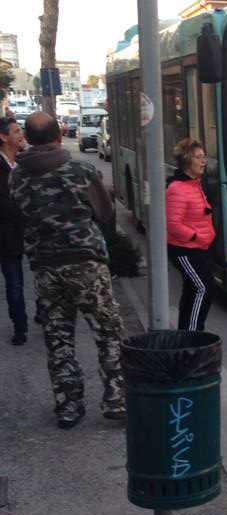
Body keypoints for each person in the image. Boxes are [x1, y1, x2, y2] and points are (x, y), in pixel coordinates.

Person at [10, 112, 125, 428]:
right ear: (59, 135)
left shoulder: (17, 176)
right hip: (87, 263)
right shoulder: (81, 169)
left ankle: (68, 406)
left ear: (29, 139)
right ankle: (116, 398)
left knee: (58, 336)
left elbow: (21, 213)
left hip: (46, 266)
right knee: (107, 331)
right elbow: (104, 212)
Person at [166, 138, 216, 331]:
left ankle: (185, 333)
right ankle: (194, 336)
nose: (204, 161)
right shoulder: (177, 189)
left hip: (198, 248)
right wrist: (196, 237)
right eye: (199, 157)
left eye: (204, 157)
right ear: (187, 160)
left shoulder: (194, 184)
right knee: (204, 288)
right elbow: (173, 225)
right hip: (185, 249)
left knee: (191, 290)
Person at [0, 115, 29, 345]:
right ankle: (20, 327)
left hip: (33, 234)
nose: (21, 135)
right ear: (3, 137)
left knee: (44, 278)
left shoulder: (27, 161)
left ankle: (43, 313)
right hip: (8, 236)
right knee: (15, 283)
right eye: (17, 131)